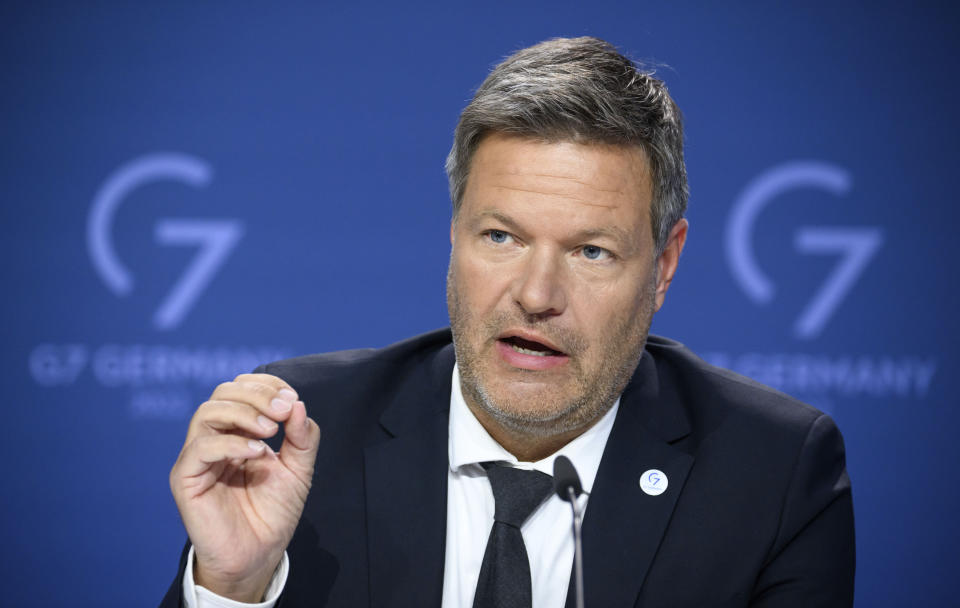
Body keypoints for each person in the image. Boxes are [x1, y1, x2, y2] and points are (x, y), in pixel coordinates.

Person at [162, 36, 855, 608]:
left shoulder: (771, 474)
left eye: (591, 250)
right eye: (502, 237)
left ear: (664, 266)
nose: (536, 294)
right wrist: (232, 585)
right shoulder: (303, 437)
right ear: (454, 232)